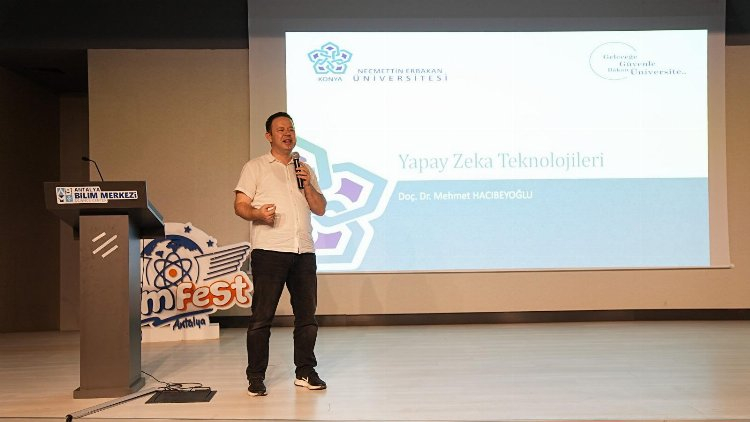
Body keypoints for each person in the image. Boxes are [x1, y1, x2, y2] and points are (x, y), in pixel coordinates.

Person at [233, 111, 327, 396]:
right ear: (269, 136)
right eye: (281, 129)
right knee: (262, 317)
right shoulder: (255, 167)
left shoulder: (305, 168)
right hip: (270, 250)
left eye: (291, 129)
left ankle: (305, 371)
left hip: (303, 250)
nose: (288, 134)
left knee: (307, 317)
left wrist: (307, 184)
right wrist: (257, 214)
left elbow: (320, 207)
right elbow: (240, 205)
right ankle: (256, 377)